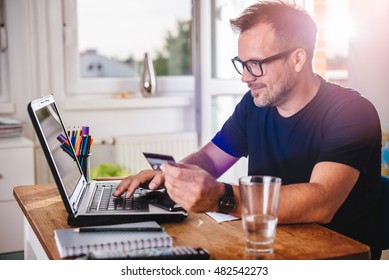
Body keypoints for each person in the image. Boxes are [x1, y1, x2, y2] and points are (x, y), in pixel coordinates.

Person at [114, 1, 383, 259]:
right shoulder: (254, 106)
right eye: (242, 64)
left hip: (334, 257)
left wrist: (223, 197)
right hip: (269, 249)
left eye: (255, 64)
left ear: (298, 59)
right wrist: (171, 176)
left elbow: (321, 201)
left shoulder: (351, 112)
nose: (245, 77)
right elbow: (209, 159)